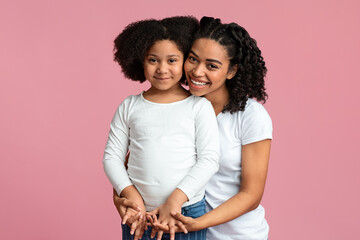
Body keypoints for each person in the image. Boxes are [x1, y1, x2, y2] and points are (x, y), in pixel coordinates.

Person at [115, 16, 273, 240]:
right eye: (192, 59)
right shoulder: (175, 107)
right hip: (178, 230)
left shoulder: (251, 117)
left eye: (212, 66)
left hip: (233, 234)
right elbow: (134, 165)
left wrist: (197, 223)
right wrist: (122, 201)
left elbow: (251, 194)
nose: (197, 72)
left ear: (231, 71)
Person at [103, 16, 220, 240]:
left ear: (186, 60)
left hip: (184, 214)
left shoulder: (198, 107)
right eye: (153, 60)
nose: (162, 69)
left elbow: (209, 159)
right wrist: (130, 194)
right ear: (140, 61)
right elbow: (111, 157)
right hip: (139, 215)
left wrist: (175, 200)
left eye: (172, 60)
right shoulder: (129, 106)